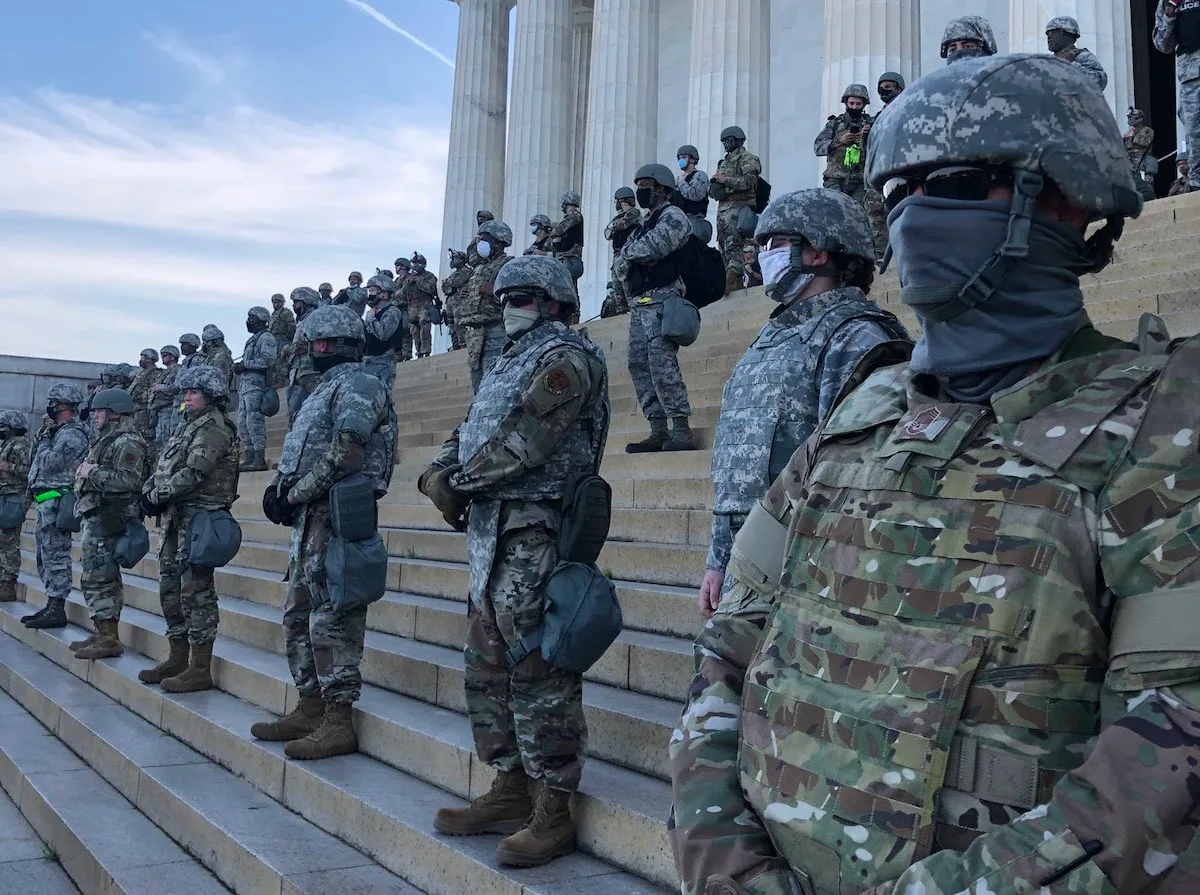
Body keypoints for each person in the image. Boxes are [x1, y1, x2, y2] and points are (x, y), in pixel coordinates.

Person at [669, 52, 1200, 895]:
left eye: (952, 181)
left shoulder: (1168, 426)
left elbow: (1162, 765)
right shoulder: (861, 414)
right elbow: (725, 655)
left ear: (1065, 197)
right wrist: (727, 868)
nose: (914, 217)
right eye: (895, 193)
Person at [419, 255, 609, 867]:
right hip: (491, 529)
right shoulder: (507, 360)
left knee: (537, 663)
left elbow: (529, 438)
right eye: (504, 297)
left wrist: (461, 481)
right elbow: (472, 427)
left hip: (537, 524)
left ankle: (554, 807)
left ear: (554, 301)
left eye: (522, 296)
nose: (508, 306)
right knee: (486, 660)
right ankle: (508, 785)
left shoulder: (567, 357)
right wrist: (437, 472)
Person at [698, 188, 910, 622]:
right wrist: (719, 560)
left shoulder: (857, 338)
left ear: (816, 252)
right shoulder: (773, 337)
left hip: (810, 569)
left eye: (773, 243)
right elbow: (739, 476)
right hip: (749, 566)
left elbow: (860, 480)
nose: (759, 257)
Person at [252, 304, 395, 761]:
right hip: (310, 518)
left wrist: (294, 495)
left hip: (337, 517)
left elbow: (347, 453)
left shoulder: (360, 383)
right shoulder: (322, 391)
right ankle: (309, 705)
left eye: (317, 344)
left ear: (337, 346)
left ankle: (338, 719)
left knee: (333, 618)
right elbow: (306, 454)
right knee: (298, 615)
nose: (311, 352)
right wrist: (283, 488)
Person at [138, 365, 239, 691]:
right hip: (176, 519)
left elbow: (195, 472)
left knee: (196, 594)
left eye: (193, 392)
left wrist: (157, 495)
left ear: (211, 395)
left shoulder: (213, 428)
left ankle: (199, 666)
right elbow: (164, 468)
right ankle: (178, 657)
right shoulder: (188, 426)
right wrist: (150, 492)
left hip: (199, 521)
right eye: (185, 392)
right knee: (170, 592)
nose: (186, 397)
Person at [613, 163, 696, 453]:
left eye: (645, 185)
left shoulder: (673, 215)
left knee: (662, 364)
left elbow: (658, 245)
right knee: (638, 364)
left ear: (661, 187)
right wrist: (633, 256)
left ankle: (681, 427)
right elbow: (621, 262)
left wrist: (632, 255)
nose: (640, 191)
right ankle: (658, 427)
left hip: (663, 299)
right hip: (641, 302)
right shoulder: (645, 223)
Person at [67, 388, 148, 661]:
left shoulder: (127, 443)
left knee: (102, 578)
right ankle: (102, 630)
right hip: (96, 517)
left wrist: (93, 472)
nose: (94, 416)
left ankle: (109, 637)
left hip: (110, 517)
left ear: (114, 412)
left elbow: (127, 481)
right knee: (94, 577)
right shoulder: (106, 440)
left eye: (99, 411)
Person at [22, 383, 91, 629]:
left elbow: (52, 462)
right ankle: (51, 603)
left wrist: (43, 442)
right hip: (46, 500)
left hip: (58, 500)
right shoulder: (57, 431)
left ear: (62, 405)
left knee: (56, 555)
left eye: (52, 403)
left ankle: (57, 607)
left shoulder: (71, 433)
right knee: (45, 555)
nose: (48, 408)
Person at [460, 220, 515, 392]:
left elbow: (516, 296)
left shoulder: (508, 265)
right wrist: (467, 293)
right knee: (477, 383)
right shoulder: (479, 268)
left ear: (499, 241)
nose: (480, 243)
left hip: (496, 329)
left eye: (485, 239)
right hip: (475, 333)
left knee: (494, 380)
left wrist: (494, 291)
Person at [710, 126, 763, 295]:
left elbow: (748, 182)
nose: (726, 144)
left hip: (739, 209)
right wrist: (718, 187)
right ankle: (733, 285)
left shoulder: (748, 159)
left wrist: (725, 180)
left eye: (729, 140)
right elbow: (713, 191)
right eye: (724, 141)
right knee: (723, 249)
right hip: (723, 213)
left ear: (738, 141)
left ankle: (733, 284)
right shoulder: (723, 163)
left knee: (735, 248)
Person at [1155, 0, 1200, 194]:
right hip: (1190, 75)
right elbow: (1162, 44)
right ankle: (1197, 183)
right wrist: (1169, 13)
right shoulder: (1166, 2)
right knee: (1194, 131)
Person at [865, 72, 907, 259]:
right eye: (881, 86)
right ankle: (881, 255)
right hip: (878, 170)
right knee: (875, 213)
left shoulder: (908, 109)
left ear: (899, 88)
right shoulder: (879, 117)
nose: (883, 90)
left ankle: (902, 249)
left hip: (899, 168)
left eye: (888, 86)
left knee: (898, 209)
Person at [815, 84, 874, 212]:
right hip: (835, 179)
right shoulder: (834, 124)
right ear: (846, 102)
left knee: (858, 216)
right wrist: (839, 141)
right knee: (833, 213)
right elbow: (818, 147)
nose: (854, 107)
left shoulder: (871, 124)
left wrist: (868, 136)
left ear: (864, 105)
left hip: (860, 181)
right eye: (851, 103)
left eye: (858, 104)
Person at [235, 306, 279, 471]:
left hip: (257, 385)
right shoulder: (252, 339)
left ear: (261, 320)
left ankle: (259, 458)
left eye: (252, 318)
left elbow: (268, 361)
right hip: (246, 386)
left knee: (254, 422)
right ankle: (249, 456)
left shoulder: (266, 338)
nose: (249, 321)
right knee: (242, 423)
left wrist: (244, 365)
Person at [0, 411, 33, 603]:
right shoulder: (7, 443)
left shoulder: (21, 444)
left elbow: (29, 471)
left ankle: (8, 583)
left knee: (9, 540)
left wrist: (7, 467)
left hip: (14, 497)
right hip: (4, 495)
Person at [282, 287, 321, 424]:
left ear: (306, 302)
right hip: (298, 374)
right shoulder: (303, 320)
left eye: (296, 302)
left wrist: (289, 348)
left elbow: (306, 345)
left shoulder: (314, 318)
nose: (294, 306)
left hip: (309, 373)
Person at [363, 272, 405, 389]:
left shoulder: (393, 311)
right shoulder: (373, 312)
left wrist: (371, 319)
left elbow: (383, 334)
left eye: (372, 290)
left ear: (384, 293)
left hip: (384, 362)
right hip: (369, 360)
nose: (370, 294)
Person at [605, 187, 643, 316]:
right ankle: (621, 311)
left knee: (627, 284)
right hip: (617, 255)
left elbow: (622, 225)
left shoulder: (634, 213)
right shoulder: (618, 217)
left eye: (617, 200)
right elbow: (607, 233)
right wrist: (615, 225)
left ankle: (633, 311)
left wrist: (615, 225)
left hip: (628, 254)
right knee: (616, 286)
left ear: (624, 200)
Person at [1046, 15, 1108, 91]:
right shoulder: (1048, 61)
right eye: (1047, 34)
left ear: (1066, 33)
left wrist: (1070, 64)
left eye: (1052, 32)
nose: (1049, 37)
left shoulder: (1083, 56)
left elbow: (1099, 83)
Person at [402, 252, 440, 359]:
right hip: (412, 307)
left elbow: (430, 289)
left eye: (418, 263)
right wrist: (409, 283)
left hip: (425, 305)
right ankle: (419, 351)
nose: (416, 265)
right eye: (414, 263)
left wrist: (419, 282)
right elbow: (403, 294)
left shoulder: (429, 276)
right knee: (414, 331)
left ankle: (426, 351)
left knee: (425, 328)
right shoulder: (409, 278)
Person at [128, 348, 163, 450]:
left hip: (145, 411)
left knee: (145, 438)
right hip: (136, 410)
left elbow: (152, 391)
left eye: (143, 357)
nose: (140, 360)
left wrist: (139, 396)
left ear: (149, 359)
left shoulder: (155, 373)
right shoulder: (141, 373)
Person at [1124, 107, 1158, 202]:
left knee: (1146, 184)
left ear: (1139, 118)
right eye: (1129, 118)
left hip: (1143, 162)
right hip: (1131, 163)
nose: (1130, 120)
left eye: (1132, 117)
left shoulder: (1147, 131)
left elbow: (1143, 143)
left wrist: (1130, 137)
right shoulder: (1128, 134)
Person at [441, 249, 472, 351]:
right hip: (451, 303)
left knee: (460, 325)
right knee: (452, 326)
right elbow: (445, 288)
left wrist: (447, 281)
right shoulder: (455, 273)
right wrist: (447, 282)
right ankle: (456, 345)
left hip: (460, 303)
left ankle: (463, 344)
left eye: (456, 258)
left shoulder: (466, 271)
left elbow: (456, 283)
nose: (453, 260)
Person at [199, 324, 234, 389]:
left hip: (216, 391)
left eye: (205, 341)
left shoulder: (221, 356)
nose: (204, 344)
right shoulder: (211, 355)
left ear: (211, 342)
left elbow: (218, 377)